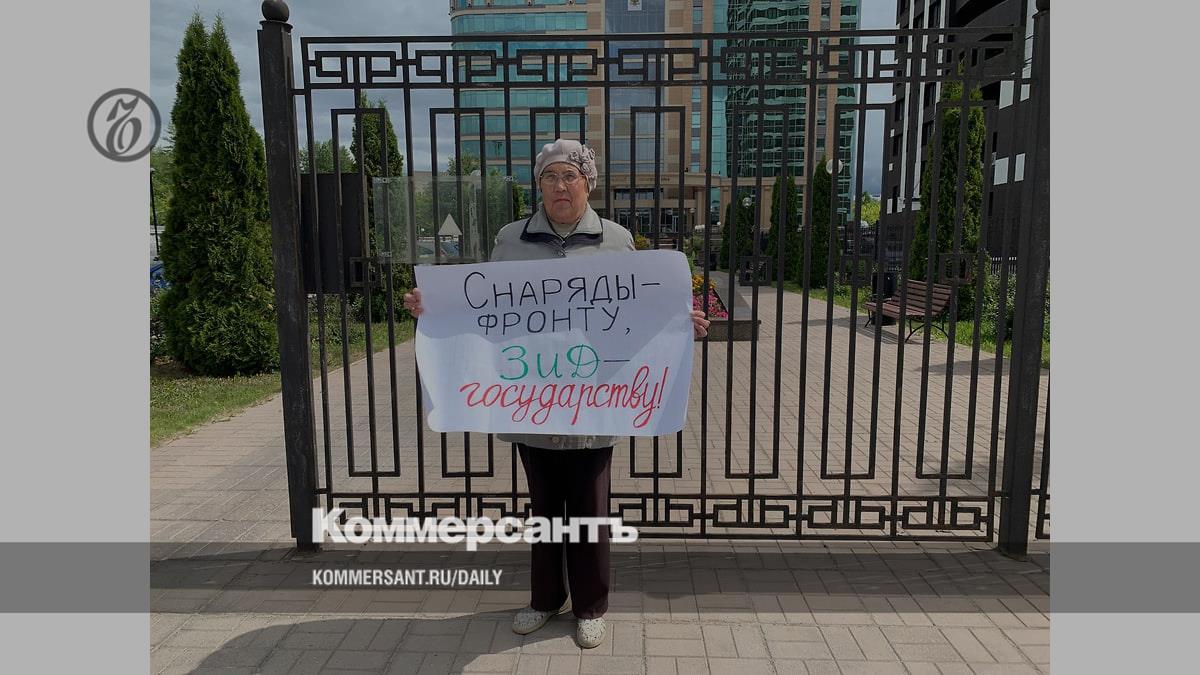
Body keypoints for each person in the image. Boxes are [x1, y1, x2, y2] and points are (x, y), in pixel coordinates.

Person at [403, 139, 708, 649]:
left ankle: (590, 607)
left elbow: (639, 312)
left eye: (570, 176)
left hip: (595, 404)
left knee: (589, 511)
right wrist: (431, 305)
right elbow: (483, 306)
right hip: (534, 404)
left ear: (588, 183)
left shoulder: (617, 241)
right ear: (539, 185)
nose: (560, 186)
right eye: (550, 177)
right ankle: (545, 600)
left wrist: (680, 324)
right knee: (544, 509)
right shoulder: (510, 240)